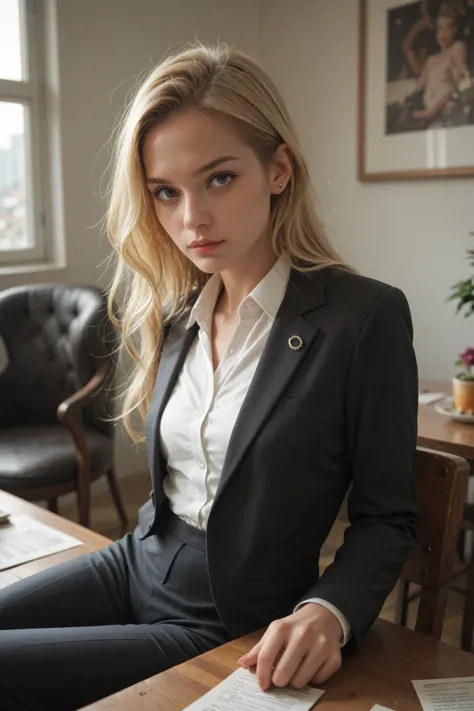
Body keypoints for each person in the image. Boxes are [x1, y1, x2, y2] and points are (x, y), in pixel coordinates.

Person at [0, 42, 418, 711]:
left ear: (279, 167)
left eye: (219, 178)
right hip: (132, 561)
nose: (190, 219)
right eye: (165, 191)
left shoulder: (362, 318)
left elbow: (388, 516)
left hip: (223, 617)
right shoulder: (177, 308)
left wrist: (328, 610)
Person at [412, 3, 470, 122]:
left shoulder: (457, 47)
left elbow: (459, 83)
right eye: (439, 28)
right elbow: (418, 90)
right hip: (426, 112)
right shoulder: (431, 59)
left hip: (444, 111)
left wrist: (430, 112)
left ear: (455, 30)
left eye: (448, 27)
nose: (443, 33)